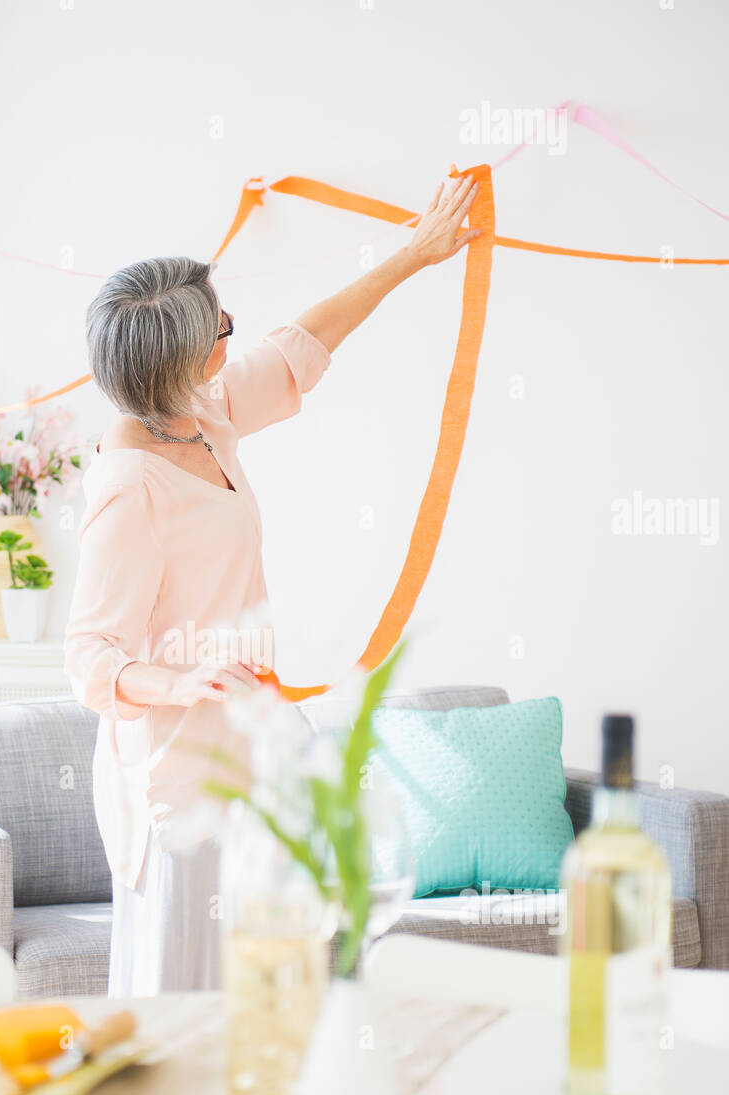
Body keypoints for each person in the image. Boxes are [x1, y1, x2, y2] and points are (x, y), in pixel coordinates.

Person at [65, 174, 481, 995]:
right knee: (179, 1004)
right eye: (223, 326)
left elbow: (302, 341)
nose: (233, 332)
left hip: (246, 752)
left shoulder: (201, 414)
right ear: (186, 357)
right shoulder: (129, 486)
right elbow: (90, 659)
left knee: (258, 992)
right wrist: (180, 681)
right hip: (178, 783)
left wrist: (414, 255)